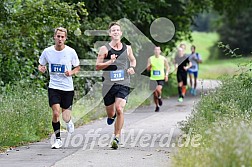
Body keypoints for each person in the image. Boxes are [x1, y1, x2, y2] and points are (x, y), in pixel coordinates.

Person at [95, 22, 136, 149]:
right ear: (110, 33)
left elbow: (133, 60)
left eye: (118, 30)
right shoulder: (104, 49)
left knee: (119, 109)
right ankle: (110, 116)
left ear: (121, 33)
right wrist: (110, 61)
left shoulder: (127, 48)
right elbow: (97, 66)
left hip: (123, 83)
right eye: (113, 30)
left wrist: (131, 67)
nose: (116, 32)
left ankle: (116, 137)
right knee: (111, 112)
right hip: (108, 85)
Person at [38, 27, 80, 149]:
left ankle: (68, 122)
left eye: (62, 37)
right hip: (54, 86)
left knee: (65, 116)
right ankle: (57, 139)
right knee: (56, 113)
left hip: (67, 88)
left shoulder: (71, 52)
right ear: (54, 37)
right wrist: (41, 68)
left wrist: (71, 73)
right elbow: (41, 64)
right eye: (58, 36)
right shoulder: (47, 51)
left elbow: (77, 67)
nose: (60, 39)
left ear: (65, 38)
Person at [147, 46, 169, 112]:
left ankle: (159, 98)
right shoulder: (150, 58)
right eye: (155, 50)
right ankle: (157, 106)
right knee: (154, 94)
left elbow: (168, 67)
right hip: (153, 78)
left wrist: (166, 75)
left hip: (161, 78)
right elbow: (147, 69)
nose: (157, 51)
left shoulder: (163, 58)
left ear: (160, 51)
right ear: (154, 51)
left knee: (158, 89)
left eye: (158, 50)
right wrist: (149, 67)